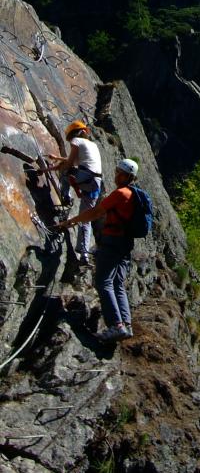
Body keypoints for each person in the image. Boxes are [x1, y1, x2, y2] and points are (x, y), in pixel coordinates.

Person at [54, 158, 139, 342]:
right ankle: (126, 325)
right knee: (117, 283)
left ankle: (116, 326)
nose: (116, 174)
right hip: (125, 244)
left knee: (103, 282)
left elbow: (95, 212)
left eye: (119, 172)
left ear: (126, 175)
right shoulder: (134, 194)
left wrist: (70, 222)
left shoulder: (120, 194)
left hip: (112, 242)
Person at [48, 120, 102, 264]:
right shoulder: (93, 145)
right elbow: (77, 160)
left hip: (86, 178)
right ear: (85, 131)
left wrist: (50, 169)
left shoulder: (76, 141)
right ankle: (84, 255)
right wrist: (58, 158)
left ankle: (66, 197)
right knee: (85, 219)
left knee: (66, 171)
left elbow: (70, 163)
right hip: (95, 183)